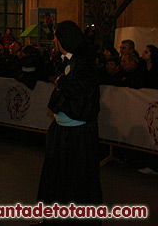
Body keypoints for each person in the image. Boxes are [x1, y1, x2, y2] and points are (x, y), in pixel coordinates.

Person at [37, 21, 102, 219]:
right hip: (62, 131)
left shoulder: (84, 62)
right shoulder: (67, 61)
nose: (54, 41)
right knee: (56, 177)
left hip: (77, 135)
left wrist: (60, 81)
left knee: (76, 179)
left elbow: (82, 90)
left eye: (56, 37)